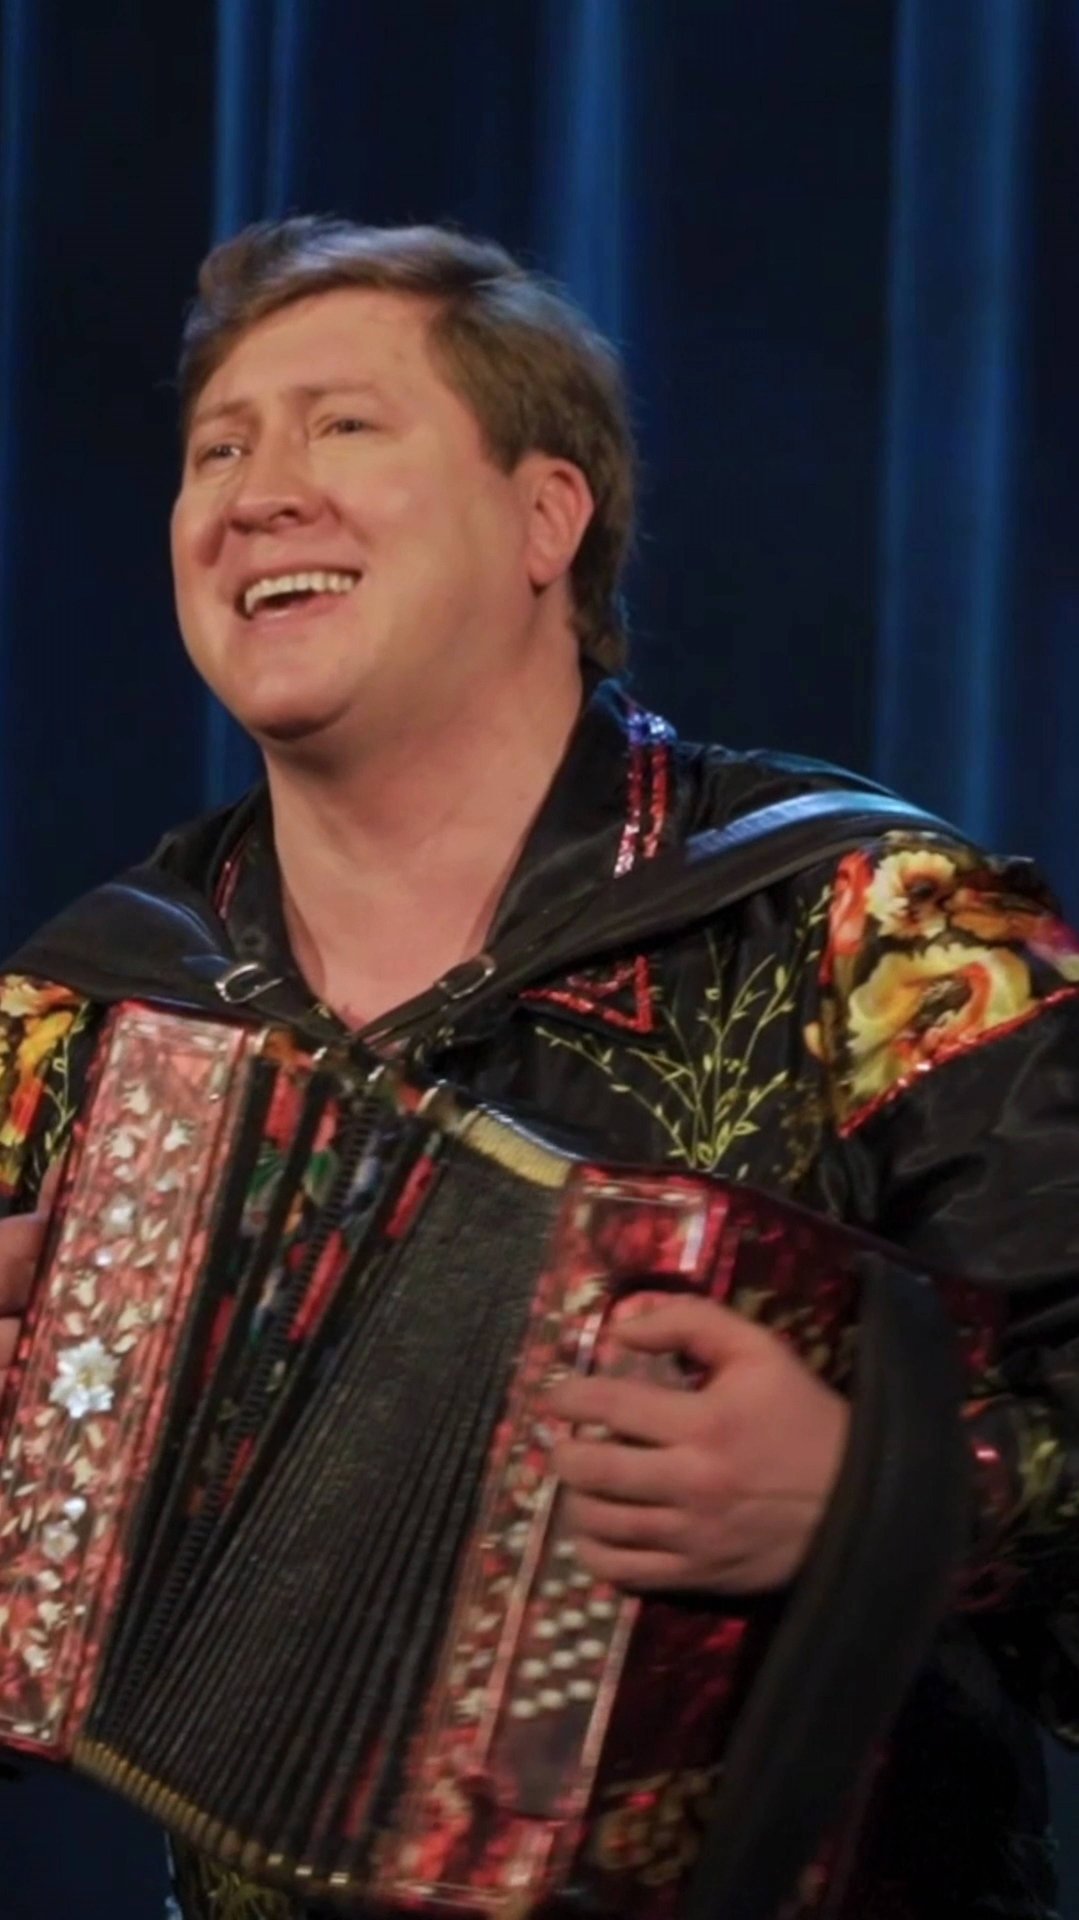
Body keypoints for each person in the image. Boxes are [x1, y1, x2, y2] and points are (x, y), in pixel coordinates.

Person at [1, 217, 1078, 1920]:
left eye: (343, 425)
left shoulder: (881, 931)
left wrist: (885, 1490)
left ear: (545, 518)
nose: (257, 495)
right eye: (218, 450)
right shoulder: (84, 1020)